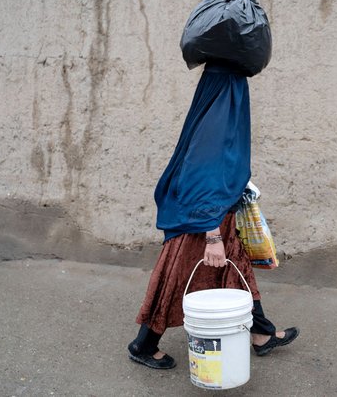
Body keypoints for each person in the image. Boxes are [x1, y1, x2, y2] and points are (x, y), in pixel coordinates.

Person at [127, 61, 298, 369]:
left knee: (236, 269)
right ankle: (144, 344)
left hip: (216, 209)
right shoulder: (220, 113)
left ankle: (261, 332)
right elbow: (201, 170)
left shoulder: (216, 102)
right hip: (203, 214)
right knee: (175, 275)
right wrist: (212, 233)